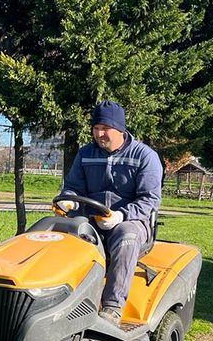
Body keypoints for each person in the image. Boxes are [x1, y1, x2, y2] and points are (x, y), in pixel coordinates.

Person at [57, 101, 163, 325]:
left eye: (105, 128)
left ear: (120, 129)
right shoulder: (85, 153)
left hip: (131, 220)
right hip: (91, 217)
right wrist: (68, 202)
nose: (99, 134)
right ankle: (57, 298)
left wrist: (120, 215)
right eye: (95, 128)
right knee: (58, 231)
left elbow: (150, 200)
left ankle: (112, 307)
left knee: (127, 237)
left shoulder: (145, 156)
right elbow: (73, 187)